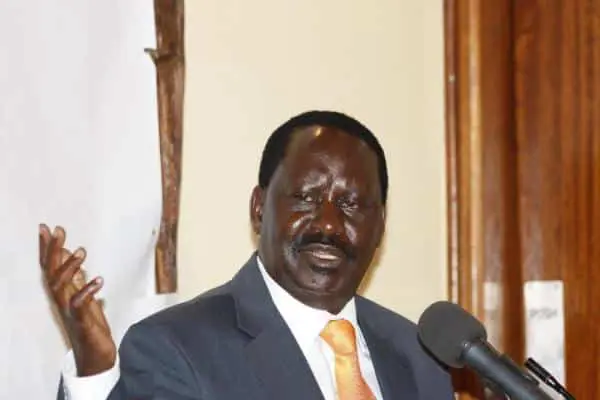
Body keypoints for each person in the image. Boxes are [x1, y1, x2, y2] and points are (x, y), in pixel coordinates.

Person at [40, 110, 454, 399]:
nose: (328, 225)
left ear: (379, 226)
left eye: (351, 204)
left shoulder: (420, 356)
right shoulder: (176, 347)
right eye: (306, 197)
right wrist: (94, 373)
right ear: (259, 208)